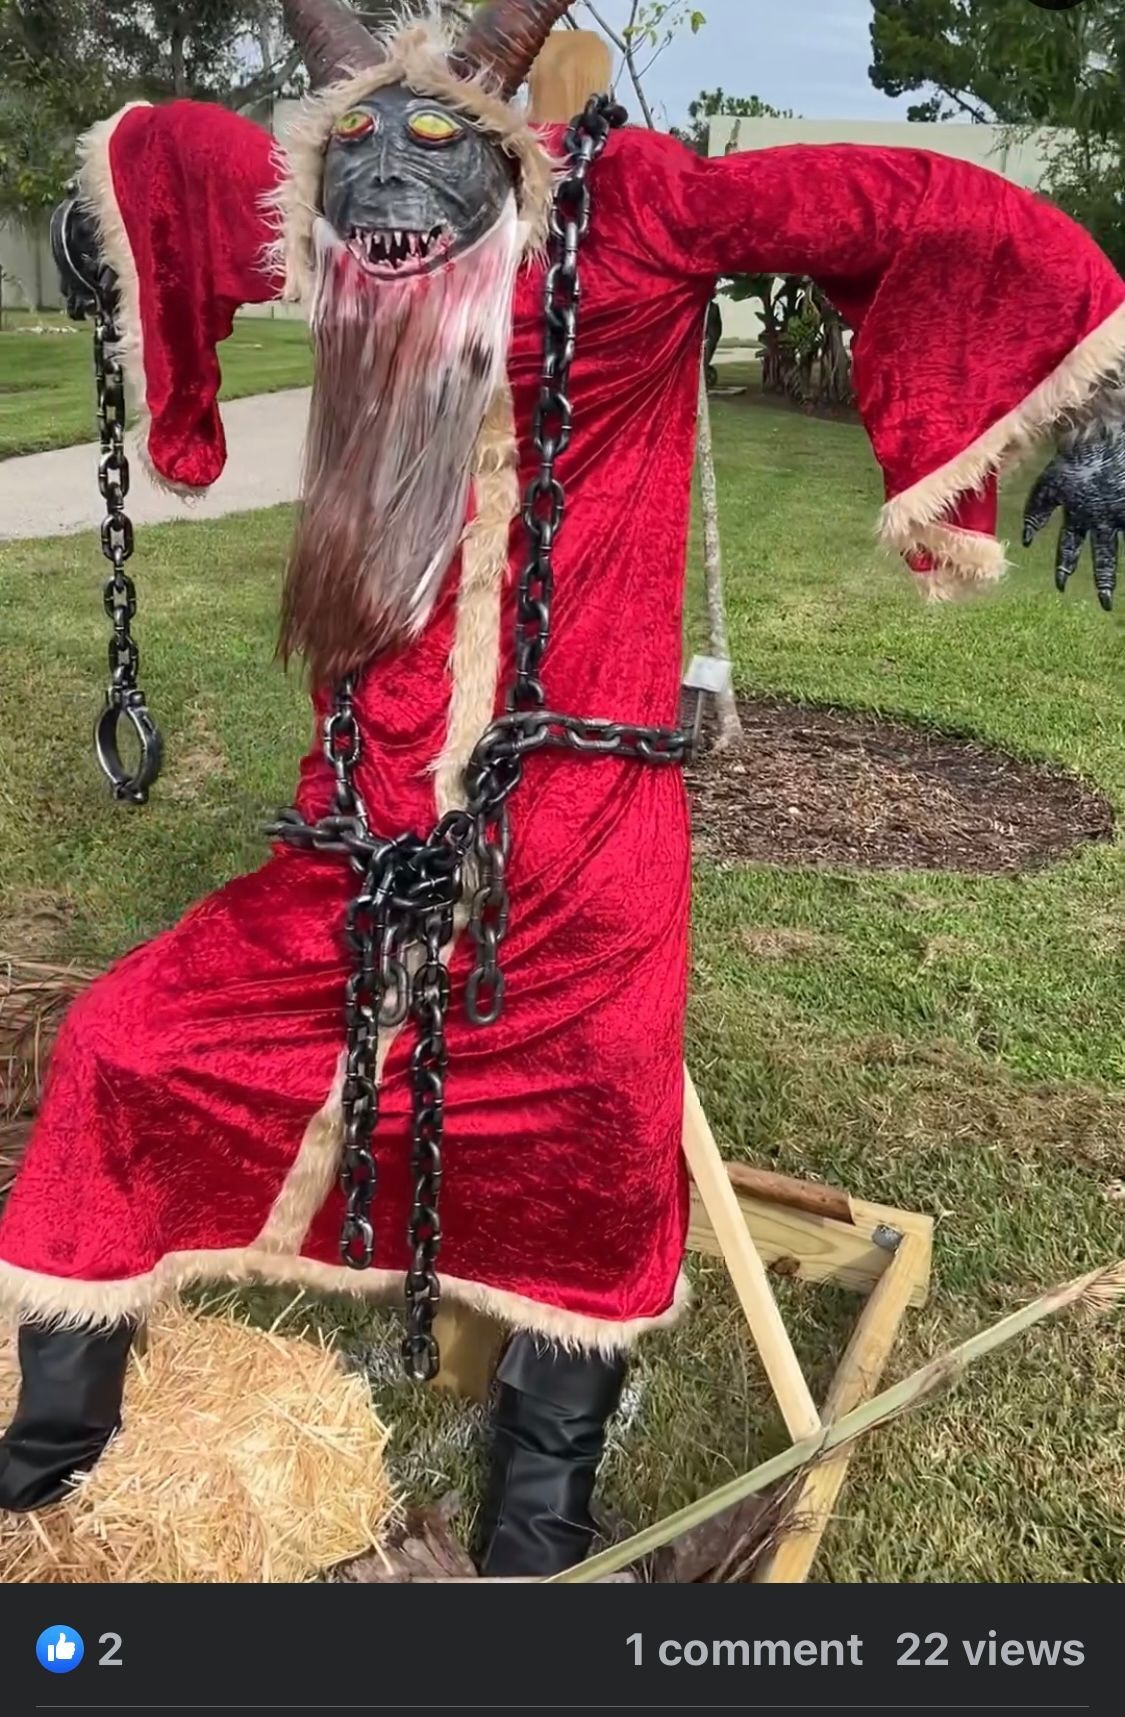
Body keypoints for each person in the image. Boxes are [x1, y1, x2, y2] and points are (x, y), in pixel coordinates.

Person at [1, 0, 1123, 1577]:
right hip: (362, 813)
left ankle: (539, 1514)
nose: (393, 175)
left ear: (508, 150)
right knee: (132, 1039)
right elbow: (179, 161)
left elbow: (918, 204)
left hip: (581, 822)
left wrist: (1086, 406)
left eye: (438, 141)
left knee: (595, 1124)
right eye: (362, 144)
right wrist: (101, 207)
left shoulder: (635, 207)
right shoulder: (337, 225)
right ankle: (50, 1460)